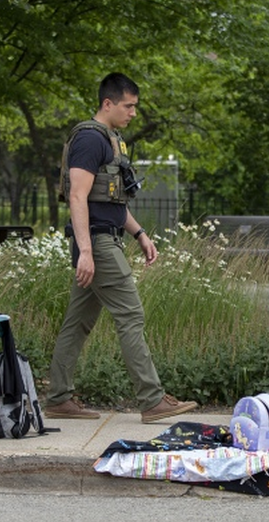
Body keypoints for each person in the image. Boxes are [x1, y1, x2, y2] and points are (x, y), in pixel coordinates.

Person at [45, 72, 198, 424]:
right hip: (97, 243)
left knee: (78, 322)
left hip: (104, 237)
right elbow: (77, 196)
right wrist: (86, 251)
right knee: (131, 315)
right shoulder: (90, 139)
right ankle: (152, 399)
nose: (133, 113)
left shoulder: (111, 140)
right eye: (128, 106)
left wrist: (140, 233)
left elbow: (110, 201)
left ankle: (58, 398)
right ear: (107, 103)